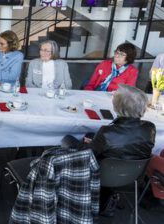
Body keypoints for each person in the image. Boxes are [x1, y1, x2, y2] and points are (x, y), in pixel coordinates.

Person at [61, 84, 155, 216]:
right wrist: (95, 142)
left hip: (103, 176)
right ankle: (107, 197)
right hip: (132, 177)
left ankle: (68, 189)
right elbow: (128, 145)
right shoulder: (150, 128)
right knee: (90, 137)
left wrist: (89, 143)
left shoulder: (107, 132)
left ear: (118, 107)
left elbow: (87, 155)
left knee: (67, 139)